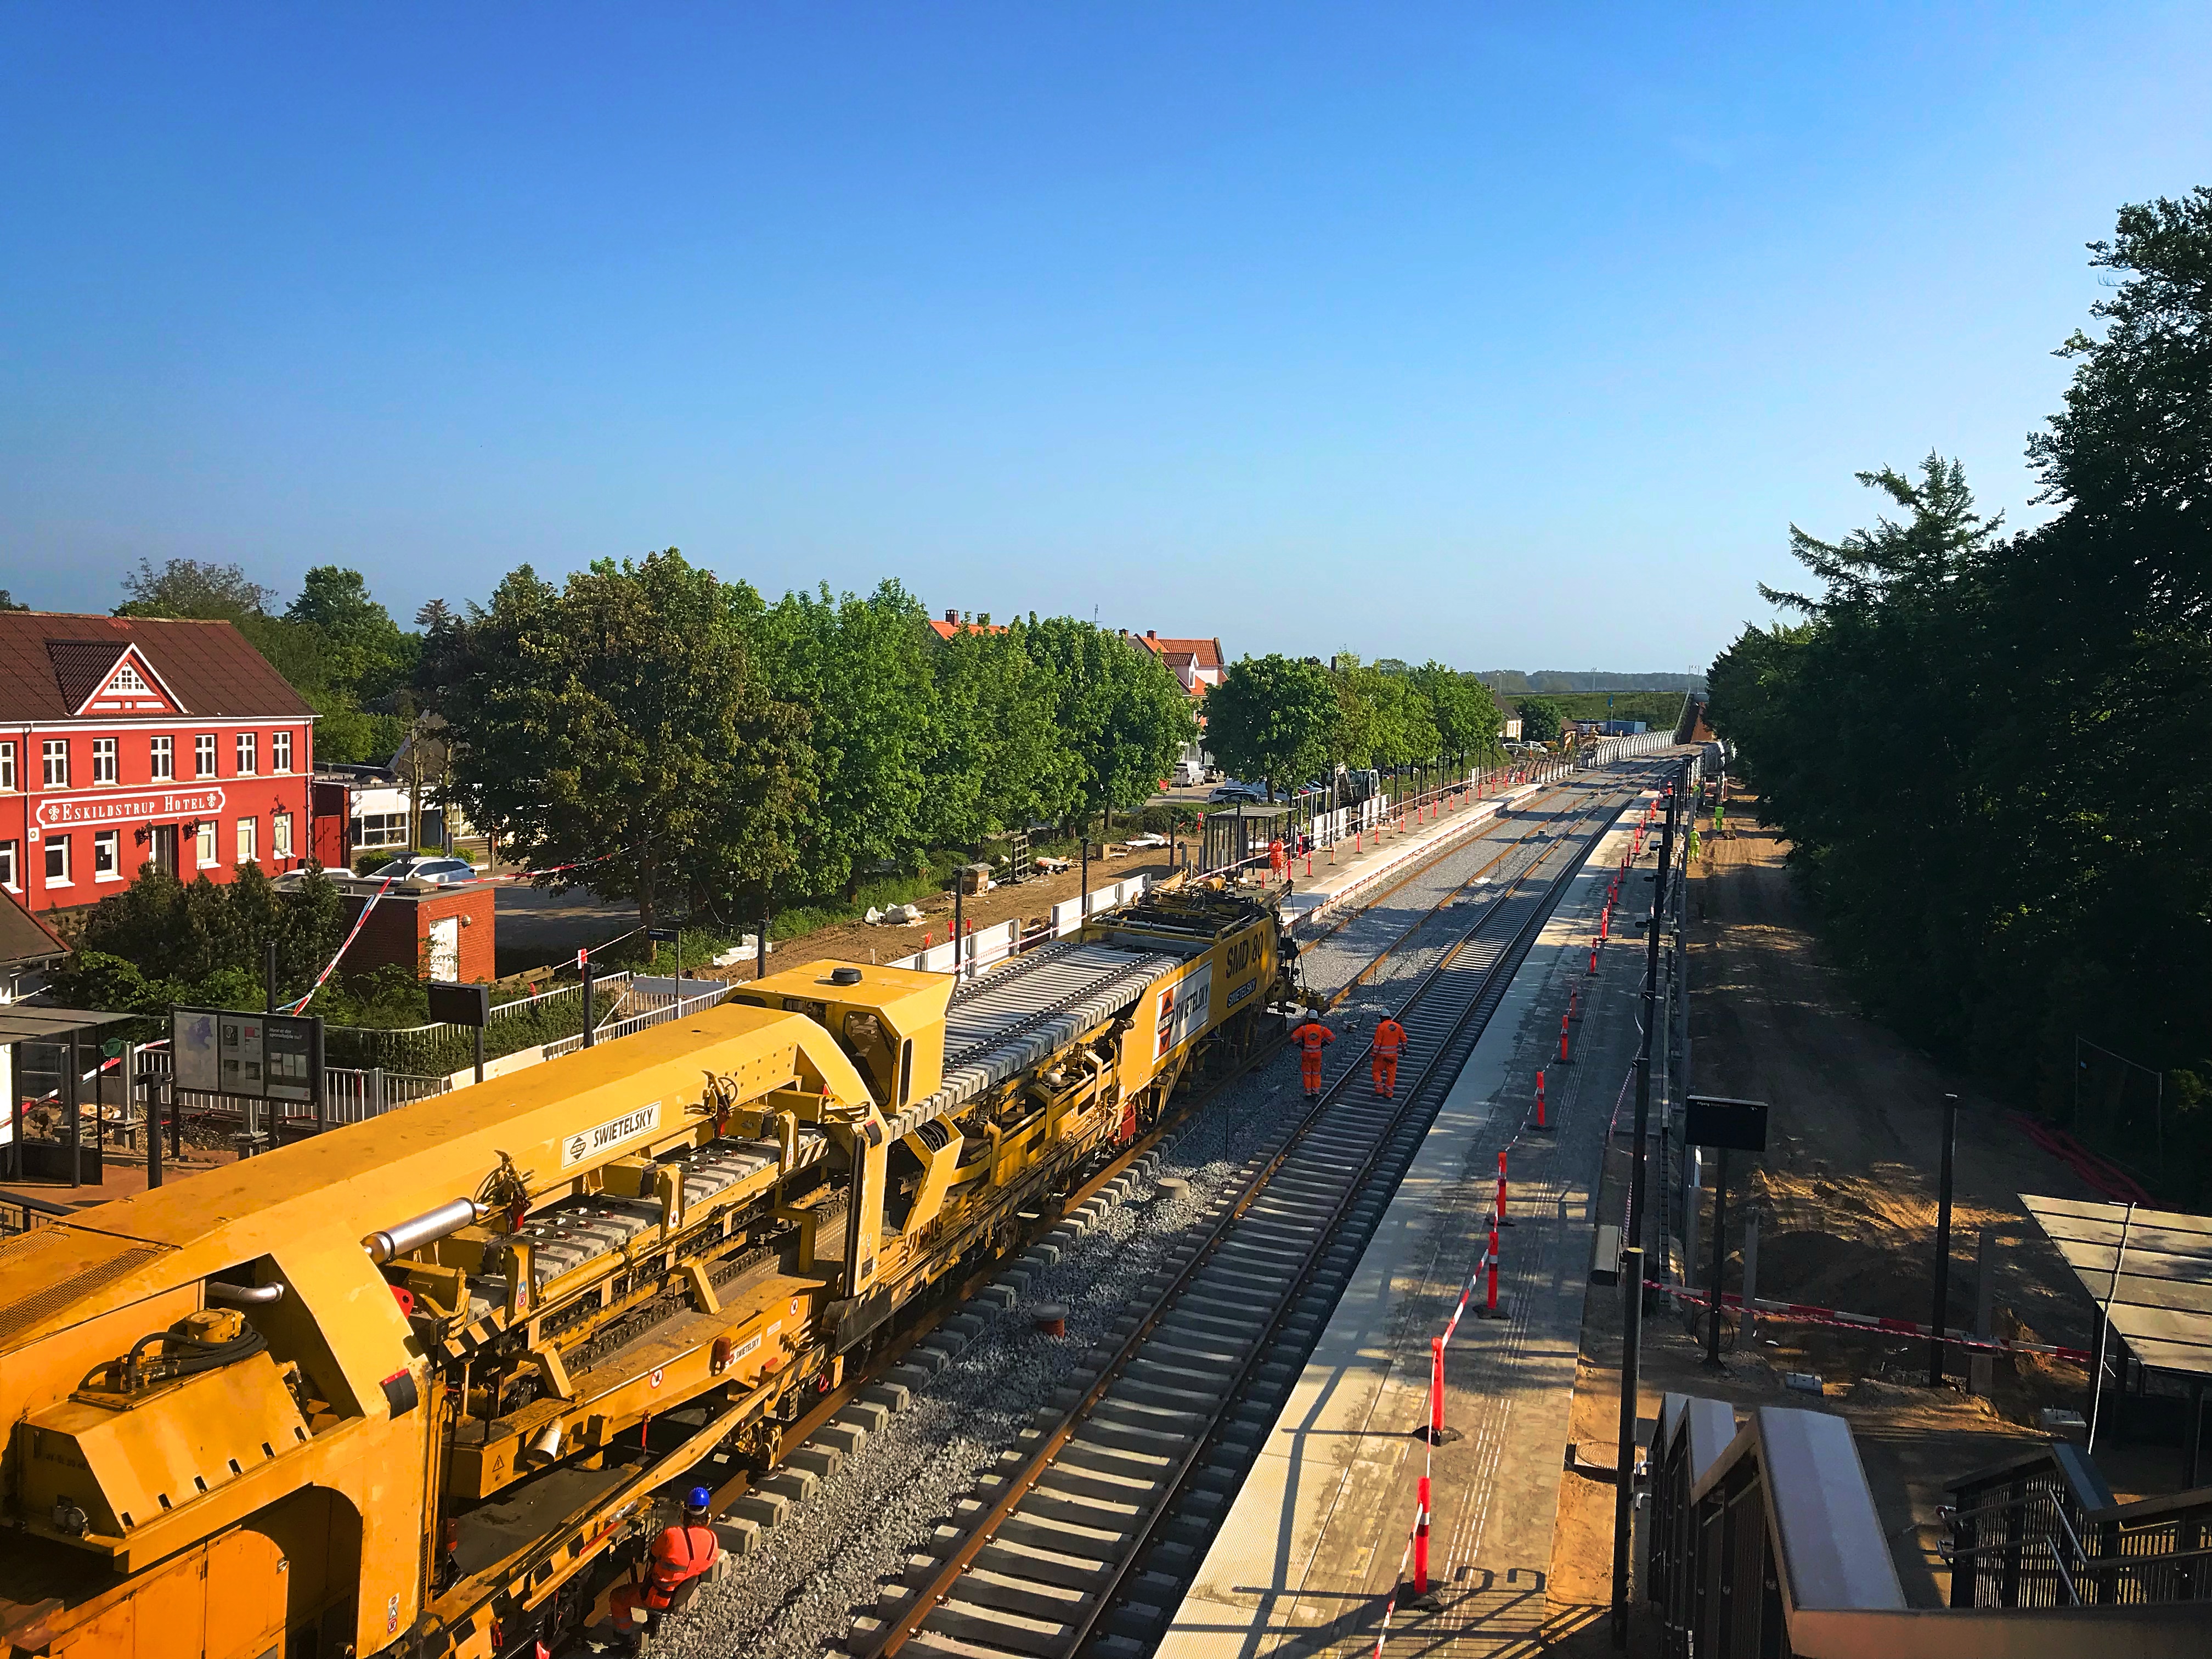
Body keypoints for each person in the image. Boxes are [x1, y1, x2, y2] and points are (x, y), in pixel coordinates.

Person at [608, 1488, 721, 1650]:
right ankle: (653, 1621)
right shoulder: (713, 1542)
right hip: (679, 1596)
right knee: (667, 1577)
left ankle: (625, 1641)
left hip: (656, 1597)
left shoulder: (672, 1534)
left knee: (617, 1598)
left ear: (684, 1515)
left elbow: (653, 1555)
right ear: (708, 1518)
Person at [1290, 1015, 1334, 1098]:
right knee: (1316, 1073)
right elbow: (1332, 1038)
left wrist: (1300, 1045)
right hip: (1317, 1055)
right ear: (1317, 1019)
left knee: (1307, 1074)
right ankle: (1316, 1091)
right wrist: (1323, 1044)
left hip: (1307, 1055)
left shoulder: (1304, 1028)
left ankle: (1308, 1092)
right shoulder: (1321, 1029)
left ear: (1308, 1019)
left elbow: (1294, 1037)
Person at [1372, 1014, 1406, 1099]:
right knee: (1391, 1074)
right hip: (1393, 1056)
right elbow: (1404, 1039)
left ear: (1382, 1018)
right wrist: (1404, 1049)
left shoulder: (1381, 1027)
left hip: (1382, 1056)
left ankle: (1379, 1090)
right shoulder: (1398, 1027)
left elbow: (1377, 1042)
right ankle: (1389, 1093)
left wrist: (1374, 1053)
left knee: (1376, 1071)